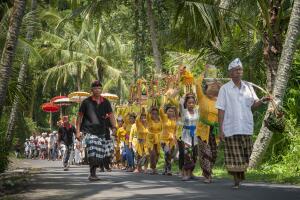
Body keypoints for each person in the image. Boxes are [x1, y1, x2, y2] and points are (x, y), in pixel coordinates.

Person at [216, 58, 271, 188]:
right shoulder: (225, 89)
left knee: (247, 153)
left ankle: (239, 174)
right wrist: (220, 129)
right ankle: (236, 180)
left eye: (240, 70)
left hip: (246, 126)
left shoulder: (249, 87)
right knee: (235, 155)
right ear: (230, 73)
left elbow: (254, 104)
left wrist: (263, 100)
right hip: (231, 127)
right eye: (236, 70)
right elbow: (221, 109)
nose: (239, 72)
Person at [76, 80, 117, 181]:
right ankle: (92, 174)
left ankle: (94, 172)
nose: (97, 90)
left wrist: (114, 127)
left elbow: (111, 116)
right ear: (92, 90)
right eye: (95, 88)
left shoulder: (106, 102)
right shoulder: (86, 102)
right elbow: (79, 117)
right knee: (93, 152)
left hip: (102, 132)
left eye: (99, 88)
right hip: (89, 132)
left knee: (100, 154)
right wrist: (77, 131)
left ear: (101, 89)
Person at [195, 73, 222, 183]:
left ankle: (208, 171)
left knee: (214, 153)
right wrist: (203, 74)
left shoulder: (220, 100)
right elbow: (197, 84)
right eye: (211, 86)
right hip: (203, 130)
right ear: (206, 89)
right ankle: (207, 175)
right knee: (206, 153)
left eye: (215, 86)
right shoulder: (202, 98)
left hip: (215, 131)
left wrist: (219, 83)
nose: (213, 87)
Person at [179, 93, 199, 181]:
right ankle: (186, 173)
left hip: (195, 134)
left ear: (195, 103)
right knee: (187, 154)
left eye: (192, 103)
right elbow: (180, 103)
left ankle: (191, 172)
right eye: (189, 103)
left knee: (194, 155)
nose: (191, 104)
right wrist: (184, 94)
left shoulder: (197, 111)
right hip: (186, 135)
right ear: (186, 103)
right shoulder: (184, 111)